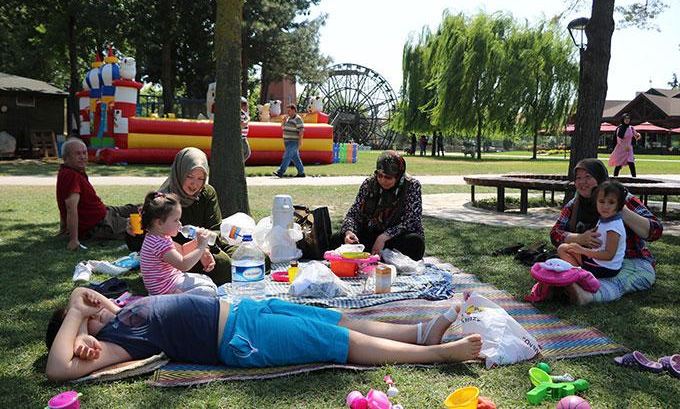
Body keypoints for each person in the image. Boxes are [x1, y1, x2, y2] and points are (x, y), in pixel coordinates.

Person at [45, 287, 482, 382]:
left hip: (244, 310)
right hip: (239, 338)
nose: (95, 305)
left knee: (332, 320)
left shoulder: (121, 313)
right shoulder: (114, 342)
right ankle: (438, 356)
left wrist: (97, 305)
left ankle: (420, 332)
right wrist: (75, 317)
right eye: (87, 311)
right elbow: (59, 370)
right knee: (338, 344)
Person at [550, 158, 663, 305]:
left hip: (630, 260)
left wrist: (621, 210)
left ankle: (585, 294)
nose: (582, 182)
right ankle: (575, 281)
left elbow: (656, 230)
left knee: (620, 280)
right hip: (593, 261)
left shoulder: (622, 199)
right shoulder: (575, 204)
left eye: (588, 177)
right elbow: (555, 233)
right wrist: (579, 238)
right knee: (561, 253)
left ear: (599, 177)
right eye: (578, 178)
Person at [126, 147, 238, 285]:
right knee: (223, 264)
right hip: (176, 256)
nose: (194, 184)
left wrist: (204, 248)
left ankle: (240, 274)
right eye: (189, 176)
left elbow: (214, 229)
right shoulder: (164, 201)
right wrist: (132, 233)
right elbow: (146, 239)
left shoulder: (207, 192)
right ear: (180, 172)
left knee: (257, 258)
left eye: (200, 178)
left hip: (204, 244)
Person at [331, 151, 425, 260]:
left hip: (395, 237)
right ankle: (376, 255)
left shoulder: (412, 186)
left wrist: (383, 237)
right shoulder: (369, 183)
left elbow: (412, 221)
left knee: (415, 243)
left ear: (398, 176)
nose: (383, 180)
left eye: (388, 177)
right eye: (380, 175)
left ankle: (379, 255)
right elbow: (353, 214)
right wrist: (349, 232)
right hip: (372, 232)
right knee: (336, 239)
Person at [56, 138, 138, 251]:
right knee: (142, 226)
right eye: (77, 154)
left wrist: (63, 228)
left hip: (105, 212)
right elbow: (70, 207)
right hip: (99, 225)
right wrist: (74, 240)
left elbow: (62, 203)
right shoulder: (71, 175)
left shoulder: (73, 171)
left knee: (137, 208)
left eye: (84, 153)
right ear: (66, 158)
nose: (82, 157)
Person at [139, 191, 217, 297]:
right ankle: (175, 299)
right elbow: (183, 264)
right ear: (159, 223)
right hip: (165, 290)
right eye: (176, 220)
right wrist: (201, 246)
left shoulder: (157, 237)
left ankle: (179, 298)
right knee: (210, 290)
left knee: (206, 279)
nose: (180, 224)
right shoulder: (159, 243)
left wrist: (198, 241)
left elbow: (183, 251)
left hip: (170, 283)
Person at [557, 181, 627, 279]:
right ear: (596, 201)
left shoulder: (613, 227)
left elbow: (609, 255)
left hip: (605, 268)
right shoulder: (606, 218)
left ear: (619, 205)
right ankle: (579, 272)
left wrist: (582, 250)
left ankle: (580, 277)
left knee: (563, 249)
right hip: (601, 262)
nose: (605, 206)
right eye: (602, 201)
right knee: (566, 248)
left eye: (611, 202)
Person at [272, 104, 305, 178]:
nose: (288, 112)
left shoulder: (298, 119)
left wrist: (300, 141)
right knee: (295, 158)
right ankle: (301, 172)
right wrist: (283, 121)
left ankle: (280, 172)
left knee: (287, 156)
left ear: (293, 110)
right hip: (287, 142)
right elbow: (283, 127)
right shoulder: (288, 119)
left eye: (289, 110)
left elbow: (301, 131)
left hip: (294, 142)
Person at [240, 96, 251, 162]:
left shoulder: (243, 114)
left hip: (243, 137)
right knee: (246, 153)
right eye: (247, 105)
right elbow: (241, 125)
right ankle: (238, 164)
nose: (247, 107)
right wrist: (248, 120)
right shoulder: (241, 114)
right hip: (241, 137)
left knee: (245, 153)